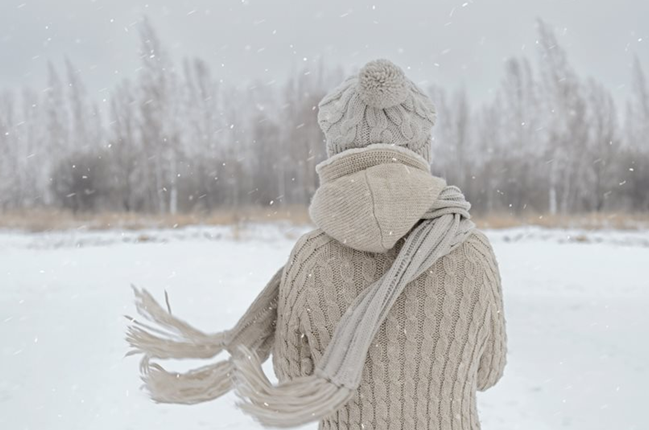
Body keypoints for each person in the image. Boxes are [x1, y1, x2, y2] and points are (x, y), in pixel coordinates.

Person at [127, 59, 507, 429]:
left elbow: (293, 373)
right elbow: (487, 371)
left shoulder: (313, 257)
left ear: (336, 152)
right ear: (422, 150)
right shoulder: (470, 248)